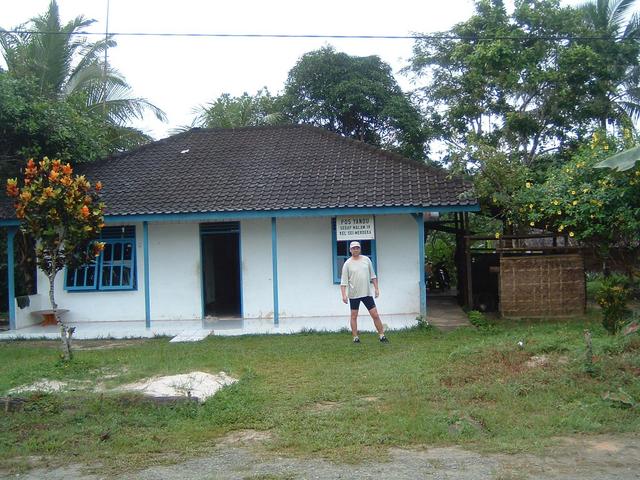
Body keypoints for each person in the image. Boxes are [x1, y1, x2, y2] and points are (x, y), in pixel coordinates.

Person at [340, 241, 389, 344]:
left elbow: (373, 276)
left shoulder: (366, 260)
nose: (355, 250)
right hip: (354, 295)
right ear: (350, 250)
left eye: (357, 248)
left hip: (366, 293)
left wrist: (376, 288)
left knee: (375, 314)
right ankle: (355, 337)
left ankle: (382, 336)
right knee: (353, 316)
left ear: (360, 249)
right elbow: (343, 282)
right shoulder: (347, 264)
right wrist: (344, 295)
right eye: (353, 248)